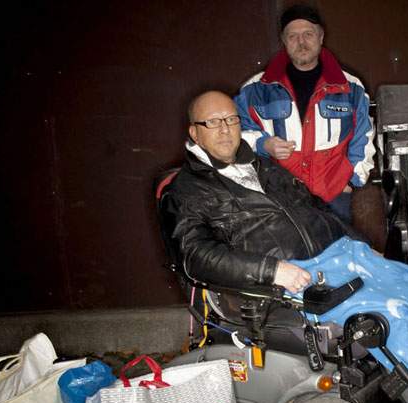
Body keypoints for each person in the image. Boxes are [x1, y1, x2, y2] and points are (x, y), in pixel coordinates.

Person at [161, 90, 360, 294]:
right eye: (213, 122)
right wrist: (271, 271)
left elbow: (317, 207)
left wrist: (360, 245)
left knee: (393, 286)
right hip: (276, 292)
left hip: (332, 265)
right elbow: (195, 255)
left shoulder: (265, 166)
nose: (225, 130)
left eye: (231, 120)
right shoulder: (185, 190)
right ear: (195, 133)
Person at [234, 4, 375, 222]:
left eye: (308, 34)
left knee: (338, 253)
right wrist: (263, 144)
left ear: (320, 37)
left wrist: (352, 180)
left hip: (334, 197)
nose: (301, 42)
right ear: (284, 40)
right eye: (293, 36)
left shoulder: (351, 88)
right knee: (291, 256)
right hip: (279, 200)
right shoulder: (254, 90)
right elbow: (236, 133)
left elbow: (363, 138)